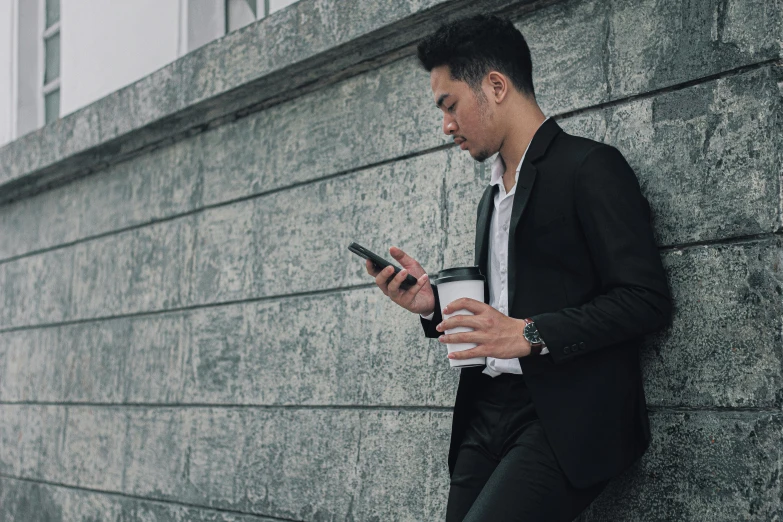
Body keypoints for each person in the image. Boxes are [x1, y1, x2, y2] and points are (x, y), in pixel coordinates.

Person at [364, 14, 672, 522]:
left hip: (561, 417)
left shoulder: (590, 167)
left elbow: (646, 299)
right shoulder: (493, 196)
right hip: (485, 411)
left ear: (496, 86)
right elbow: (505, 303)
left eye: (450, 105)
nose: (446, 125)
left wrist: (530, 334)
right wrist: (431, 304)